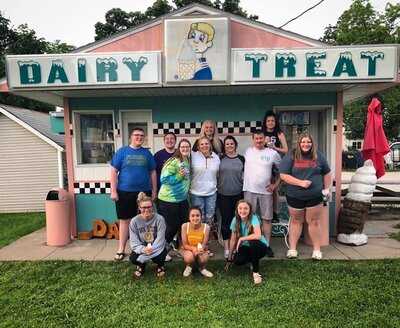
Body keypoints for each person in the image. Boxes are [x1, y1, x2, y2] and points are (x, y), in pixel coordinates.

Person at [279, 133, 331, 260]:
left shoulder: (319, 156)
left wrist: (326, 189)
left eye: (308, 142)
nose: (306, 144)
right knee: (296, 222)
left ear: (312, 143)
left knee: (314, 222)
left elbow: (327, 173)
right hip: (295, 196)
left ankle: (317, 250)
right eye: (303, 142)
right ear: (299, 143)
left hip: (315, 196)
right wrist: (301, 183)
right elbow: (283, 175)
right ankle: (292, 249)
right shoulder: (291, 155)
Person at [110, 127, 157, 261]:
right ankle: (121, 249)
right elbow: (113, 171)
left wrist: (154, 191)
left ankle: (145, 248)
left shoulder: (147, 154)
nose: (139, 137)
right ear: (131, 137)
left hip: (144, 193)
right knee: (125, 221)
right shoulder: (122, 152)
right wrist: (113, 191)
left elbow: (153, 172)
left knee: (145, 221)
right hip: (124, 192)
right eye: (136, 135)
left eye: (142, 136)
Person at [243, 130, 281, 257]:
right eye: (256, 138)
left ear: (265, 139)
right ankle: (249, 244)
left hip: (266, 192)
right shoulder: (248, 152)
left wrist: (275, 185)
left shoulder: (273, 153)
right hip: (249, 190)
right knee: (249, 219)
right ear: (252, 139)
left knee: (267, 219)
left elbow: (282, 171)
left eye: (261, 138)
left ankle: (267, 245)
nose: (259, 141)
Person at [158, 139, 191, 259]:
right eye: (183, 147)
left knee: (183, 225)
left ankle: (182, 249)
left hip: (181, 199)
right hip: (168, 200)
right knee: (171, 226)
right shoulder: (173, 161)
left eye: (187, 147)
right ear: (178, 148)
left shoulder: (186, 160)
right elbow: (164, 179)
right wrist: (179, 176)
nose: (185, 149)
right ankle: (161, 251)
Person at [227, 200, 268, 285]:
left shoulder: (254, 218)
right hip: (246, 246)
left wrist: (242, 238)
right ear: (237, 210)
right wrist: (229, 258)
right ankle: (253, 261)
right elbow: (233, 239)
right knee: (238, 261)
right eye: (240, 208)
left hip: (260, 246)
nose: (243, 211)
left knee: (253, 242)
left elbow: (258, 235)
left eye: (246, 208)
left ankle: (255, 272)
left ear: (250, 210)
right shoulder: (235, 220)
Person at [217, 135, 245, 259]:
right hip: (223, 195)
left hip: (238, 195)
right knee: (226, 222)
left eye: (231, 144)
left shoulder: (242, 159)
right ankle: (227, 248)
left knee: (238, 222)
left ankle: (237, 246)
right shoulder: (220, 158)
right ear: (224, 146)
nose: (229, 146)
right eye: (227, 144)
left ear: (235, 145)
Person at [129, 192, 167, 278]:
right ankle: (141, 266)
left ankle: (160, 266)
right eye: (144, 207)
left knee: (160, 257)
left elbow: (160, 240)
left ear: (152, 207)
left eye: (149, 207)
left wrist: (150, 250)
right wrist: (143, 249)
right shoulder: (134, 221)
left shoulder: (159, 219)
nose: (146, 209)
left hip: (156, 246)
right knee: (133, 258)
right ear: (139, 208)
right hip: (143, 246)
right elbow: (134, 242)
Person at [262, 110, 288, 222]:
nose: (270, 122)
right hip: (263, 162)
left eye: (272, 120)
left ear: (275, 122)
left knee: (274, 189)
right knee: (264, 188)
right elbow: (256, 147)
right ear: (265, 122)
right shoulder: (261, 133)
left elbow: (286, 150)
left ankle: (275, 213)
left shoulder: (279, 133)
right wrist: (264, 143)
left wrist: (275, 148)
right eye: (268, 121)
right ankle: (264, 212)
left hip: (275, 162)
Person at [190, 136, 220, 228]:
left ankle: (207, 237)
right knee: (199, 217)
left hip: (211, 192)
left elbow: (218, 174)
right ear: (198, 147)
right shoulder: (193, 155)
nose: (204, 146)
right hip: (196, 192)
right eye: (201, 144)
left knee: (210, 216)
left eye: (206, 143)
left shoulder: (216, 157)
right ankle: (199, 238)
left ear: (210, 145)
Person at [180, 207, 213, 278]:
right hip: (187, 249)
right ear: (189, 217)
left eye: (197, 215)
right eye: (192, 216)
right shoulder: (185, 226)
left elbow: (204, 244)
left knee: (203, 259)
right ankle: (189, 266)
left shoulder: (206, 227)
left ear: (201, 217)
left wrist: (200, 250)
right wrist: (193, 249)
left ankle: (202, 268)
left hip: (200, 249)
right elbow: (185, 244)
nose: (195, 218)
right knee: (189, 258)